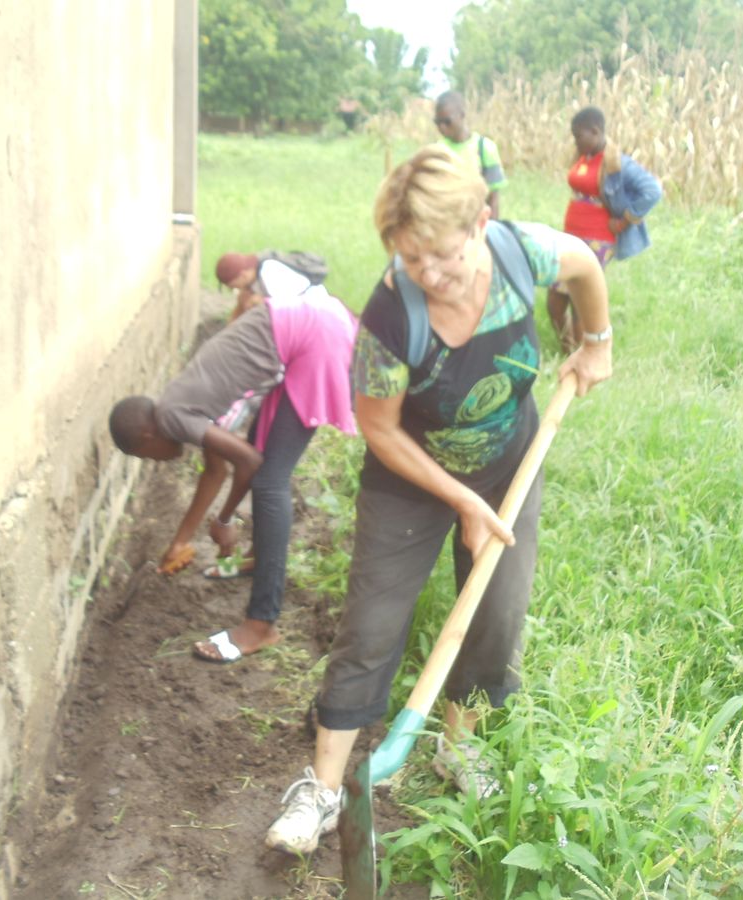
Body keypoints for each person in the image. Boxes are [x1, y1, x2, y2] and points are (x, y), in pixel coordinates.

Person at [264, 146, 612, 855]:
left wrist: (597, 340)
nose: (427, 274)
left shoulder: (523, 256)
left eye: (443, 257)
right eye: (409, 258)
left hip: (508, 462)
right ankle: (325, 790)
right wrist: (459, 501)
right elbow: (379, 428)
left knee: (497, 612)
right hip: (412, 478)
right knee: (373, 621)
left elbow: (585, 263)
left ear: (482, 222)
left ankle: (460, 748)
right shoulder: (392, 315)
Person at [108, 275, 357, 663]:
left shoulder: (173, 417)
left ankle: (261, 625)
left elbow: (248, 463)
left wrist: (225, 520)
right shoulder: (178, 403)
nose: (155, 460)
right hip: (309, 323)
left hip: (313, 338)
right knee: (262, 453)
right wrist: (183, 539)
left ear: (146, 436)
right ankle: (259, 557)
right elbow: (216, 471)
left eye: (147, 455)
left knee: (270, 479)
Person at [547, 105, 662, 353]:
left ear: (596, 132)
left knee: (578, 297)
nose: (575, 141)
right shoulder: (583, 156)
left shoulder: (617, 164)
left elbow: (653, 190)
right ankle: (567, 348)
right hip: (571, 235)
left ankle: (580, 357)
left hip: (598, 240)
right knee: (555, 299)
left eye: (579, 135)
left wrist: (626, 219)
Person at [433, 90, 507, 220]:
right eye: (437, 122)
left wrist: (492, 230)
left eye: (447, 121)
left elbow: (493, 199)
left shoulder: (485, 149)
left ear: (461, 115)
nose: (442, 127)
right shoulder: (438, 151)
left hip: (477, 223)